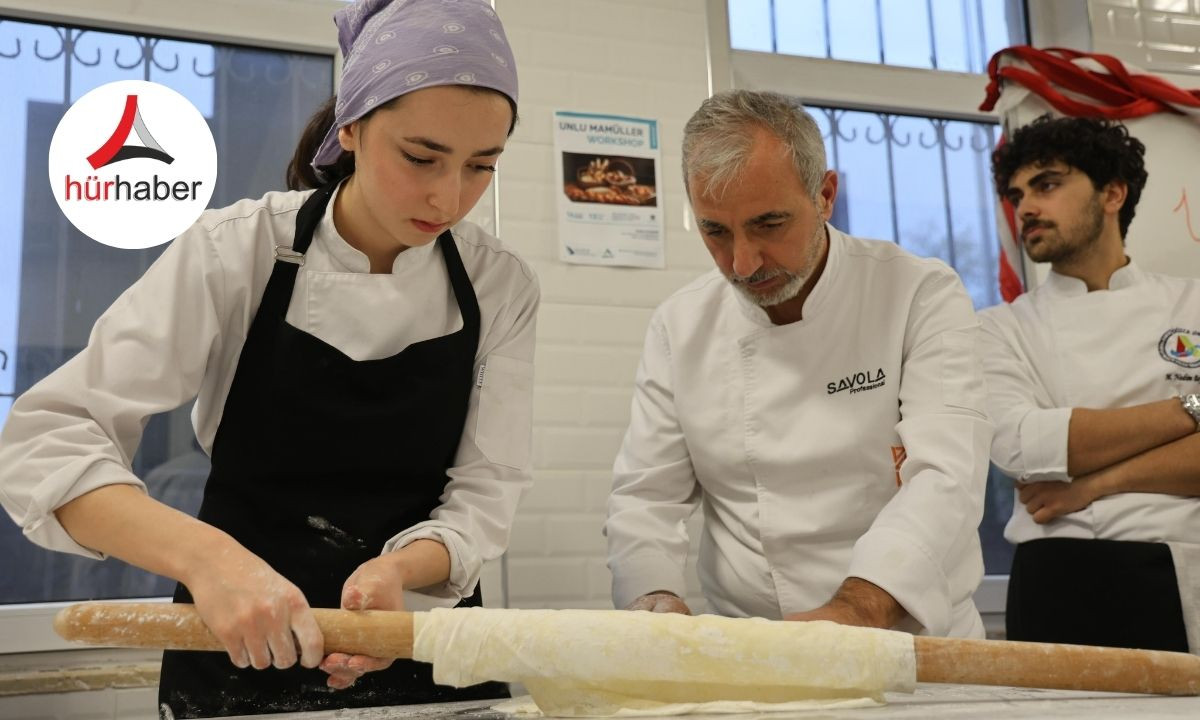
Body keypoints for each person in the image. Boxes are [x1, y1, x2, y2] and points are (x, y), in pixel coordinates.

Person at [0, 0, 538, 716]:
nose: (450, 196)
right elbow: (45, 439)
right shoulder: (238, 251)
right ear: (351, 125)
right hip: (235, 661)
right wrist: (208, 559)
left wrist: (401, 572)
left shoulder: (499, 284)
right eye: (420, 157)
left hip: (426, 647)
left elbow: (486, 490)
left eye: (482, 166)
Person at [604, 90, 992, 638]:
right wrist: (656, 601)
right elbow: (647, 497)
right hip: (752, 653)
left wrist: (857, 609)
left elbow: (945, 477)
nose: (741, 262)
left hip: (908, 642)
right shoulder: (680, 325)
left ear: (825, 194)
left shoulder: (917, 294)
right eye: (715, 231)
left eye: (768, 224)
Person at [982, 115, 1200, 652]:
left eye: (1047, 184)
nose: (1026, 207)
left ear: (1112, 193)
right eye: (1017, 194)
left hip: (1185, 560)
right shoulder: (1000, 327)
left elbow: (1062, 451)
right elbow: (1022, 447)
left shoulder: (1192, 303)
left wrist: (1091, 484)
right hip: (1059, 576)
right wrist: (1188, 411)